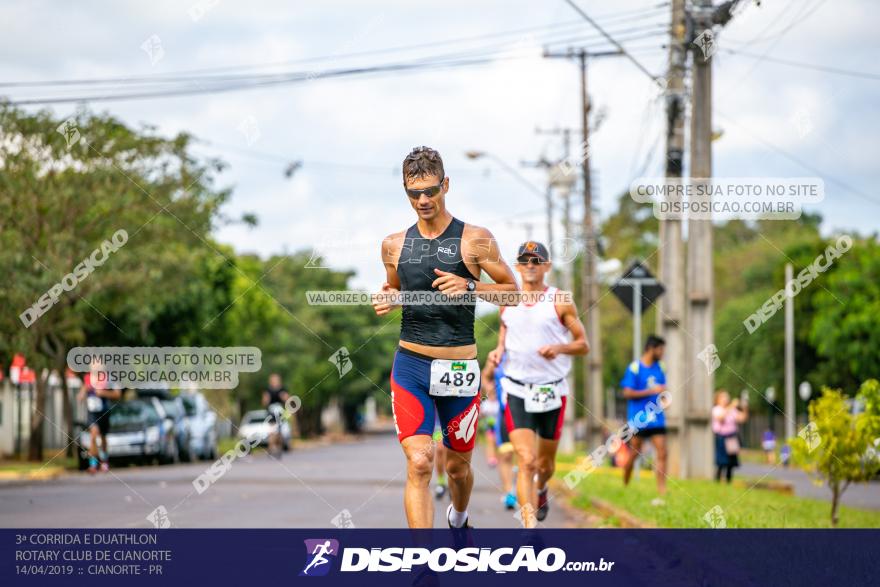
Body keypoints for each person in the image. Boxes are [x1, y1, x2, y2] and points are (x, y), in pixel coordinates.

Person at [372, 146, 517, 529]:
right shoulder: (393, 245)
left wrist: (471, 286)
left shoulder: (475, 240)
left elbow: (513, 292)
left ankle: (459, 516)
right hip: (412, 365)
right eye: (413, 193)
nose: (422, 200)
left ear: (446, 185)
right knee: (420, 461)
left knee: (456, 468)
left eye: (430, 191)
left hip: (459, 368)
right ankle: (424, 564)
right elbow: (396, 288)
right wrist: (388, 297)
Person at [487, 241, 589, 527]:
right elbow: (505, 332)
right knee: (526, 460)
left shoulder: (560, 300)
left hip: (552, 390)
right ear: (517, 267)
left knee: (544, 466)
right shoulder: (508, 301)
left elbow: (583, 345)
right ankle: (529, 528)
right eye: (525, 261)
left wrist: (559, 348)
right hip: (517, 388)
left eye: (536, 261)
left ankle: (542, 488)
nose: (530, 266)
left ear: (547, 266)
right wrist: (498, 351)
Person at [620, 335, 668, 505]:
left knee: (662, 452)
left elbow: (662, 390)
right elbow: (627, 393)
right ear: (651, 348)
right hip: (638, 418)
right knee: (635, 452)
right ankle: (625, 482)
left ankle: (662, 490)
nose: (662, 352)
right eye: (660, 349)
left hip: (657, 418)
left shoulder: (661, 367)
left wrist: (663, 401)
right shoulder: (634, 368)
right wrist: (651, 391)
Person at [482, 352, 517, 510]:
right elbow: (485, 375)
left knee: (527, 456)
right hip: (504, 413)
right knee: (506, 454)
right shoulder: (498, 356)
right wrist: (489, 389)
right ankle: (509, 493)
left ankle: (533, 491)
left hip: (527, 411)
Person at [77, 359, 121, 474]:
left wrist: (103, 393)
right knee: (93, 436)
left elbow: (117, 394)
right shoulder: (88, 379)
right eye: (93, 365)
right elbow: (82, 392)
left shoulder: (108, 379)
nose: (95, 367)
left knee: (103, 438)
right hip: (92, 412)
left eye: (98, 365)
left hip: (104, 411)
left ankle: (105, 462)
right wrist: (81, 395)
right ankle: (93, 464)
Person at [712, 389, 748, 483]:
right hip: (721, 437)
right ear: (718, 399)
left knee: (731, 462)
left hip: (732, 437)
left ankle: (729, 480)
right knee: (721, 461)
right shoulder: (716, 409)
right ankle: (718, 479)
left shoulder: (732, 410)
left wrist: (744, 407)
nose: (726, 399)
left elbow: (742, 419)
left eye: (727, 397)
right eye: (723, 397)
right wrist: (731, 406)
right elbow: (721, 417)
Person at [262, 373, 289, 458]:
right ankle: (270, 449)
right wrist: (266, 399)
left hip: (280, 411)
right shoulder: (268, 390)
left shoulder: (282, 389)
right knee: (272, 431)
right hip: (271, 412)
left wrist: (284, 397)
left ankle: (279, 448)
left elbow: (287, 399)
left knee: (280, 432)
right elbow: (264, 402)